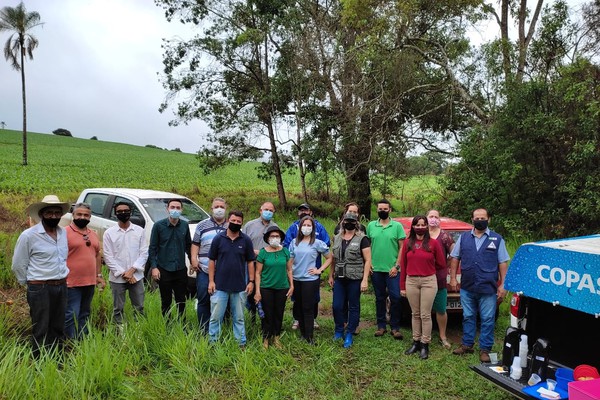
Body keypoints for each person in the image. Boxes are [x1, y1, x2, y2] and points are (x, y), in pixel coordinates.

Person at [12, 195, 70, 357]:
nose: (53, 216)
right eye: (49, 212)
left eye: (57, 213)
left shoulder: (62, 233)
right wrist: (31, 284)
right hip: (40, 287)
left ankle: (57, 359)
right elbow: (18, 264)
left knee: (58, 326)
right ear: (42, 214)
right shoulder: (29, 236)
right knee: (41, 327)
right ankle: (39, 363)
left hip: (61, 285)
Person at [450, 208, 509, 363]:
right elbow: (455, 258)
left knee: (488, 318)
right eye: (477, 218)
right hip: (467, 286)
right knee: (468, 316)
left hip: (488, 287)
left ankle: (485, 349)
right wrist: (454, 279)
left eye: (483, 217)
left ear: (488, 219)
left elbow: (502, 262)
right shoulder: (463, 238)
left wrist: (503, 284)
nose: (480, 220)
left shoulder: (497, 239)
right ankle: (467, 344)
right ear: (472, 219)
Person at [400, 215, 446, 360]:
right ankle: (415, 341)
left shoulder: (433, 243)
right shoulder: (408, 242)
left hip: (428, 281)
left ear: (426, 227)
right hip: (411, 280)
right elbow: (403, 265)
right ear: (413, 227)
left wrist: (427, 268)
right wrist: (402, 286)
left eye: (422, 225)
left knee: (425, 314)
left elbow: (441, 263)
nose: (420, 227)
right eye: (417, 225)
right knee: (415, 313)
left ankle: (425, 343)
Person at [207, 211, 255, 347]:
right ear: (228, 220)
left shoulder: (245, 240)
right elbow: (211, 260)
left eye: (239, 222)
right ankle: (213, 342)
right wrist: (211, 281)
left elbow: (250, 261)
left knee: (239, 318)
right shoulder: (218, 238)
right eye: (233, 220)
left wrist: (251, 281)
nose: (235, 223)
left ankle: (240, 343)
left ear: (242, 223)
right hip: (220, 286)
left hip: (240, 286)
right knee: (216, 317)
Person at [283, 203, 330, 330]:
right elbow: (288, 246)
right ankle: (297, 319)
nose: (303, 212)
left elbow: (326, 244)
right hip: (297, 269)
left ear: (310, 211)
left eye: (306, 210)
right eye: (301, 210)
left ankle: (312, 319)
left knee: (313, 297)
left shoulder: (319, 227)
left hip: (313, 268)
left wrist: (320, 269)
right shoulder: (293, 228)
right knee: (297, 297)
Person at [103, 201, 149, 327]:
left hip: (136, 277)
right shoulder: (109, 233)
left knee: (139, 306)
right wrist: (125, 273)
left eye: (126, 211)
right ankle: (121, 334)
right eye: (120, 211)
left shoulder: (139, 231)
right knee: (118, 308)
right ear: (115, 214)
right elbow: (108, 256)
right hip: (117, 278)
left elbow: (144, 253)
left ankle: (138, 331)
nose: (123, 213)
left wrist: (132, 270)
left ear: (131, 212)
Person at [329, 213, 371, 348]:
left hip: (355, 278)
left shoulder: (362, 239)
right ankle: (339, 330)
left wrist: (365, 280)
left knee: (353, 306)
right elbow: (333, 259)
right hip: (339, 278)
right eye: (347, 221)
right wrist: (330, 275)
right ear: (342, 222)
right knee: (337, 306)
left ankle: (349, 333)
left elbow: (368, 260)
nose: (349, 223)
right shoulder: (336, 238)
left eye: (352, 221)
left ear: (356, 223)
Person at [289, 216, 332, 344]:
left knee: (308, 308)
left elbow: (330, 258)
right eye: (304, 225)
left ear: (313, 228)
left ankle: (309, 337)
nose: (306, 228)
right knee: (299, 307)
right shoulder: (293, 243)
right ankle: (303, 334)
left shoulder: (317, 243)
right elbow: (290, 262)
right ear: (300, 227)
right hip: (296, 279)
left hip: (310, 280)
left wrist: (320, 270)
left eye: (309, 225)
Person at [367, 199, 406, 340]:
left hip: (392, 270)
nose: (382, 211)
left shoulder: (397, 226)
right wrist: (369, 263)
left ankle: (395, 327)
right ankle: (381, 326)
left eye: (385, 209)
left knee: (396, 297)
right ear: (377, 210)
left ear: (390, 210)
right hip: (376, 269)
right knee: (379, 298)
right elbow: (367, 247)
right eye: (380, 209)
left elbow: (402, 247)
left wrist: (397, 265)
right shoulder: (371, 226)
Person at [64, 202, 104, 339]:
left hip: (89, 282)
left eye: (86, 215)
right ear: (73, 215)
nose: (82, 217)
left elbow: (97, 254)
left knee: (85, 313)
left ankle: (82, 339)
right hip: (71, 282)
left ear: (90, 217)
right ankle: (70, 342)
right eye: (79, 214)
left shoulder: (92, 234)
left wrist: (98, 275)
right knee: (71, 313)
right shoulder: (64, 233)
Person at [149, 199, 192, 320]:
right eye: (172, 207)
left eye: (178, 208)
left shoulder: (184, 225)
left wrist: (193, 262)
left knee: (181, 300)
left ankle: (182, 324)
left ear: (182, 210)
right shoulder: (158, 226)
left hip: (180, 269)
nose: (175, 210)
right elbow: (153, 248)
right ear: (167, 209)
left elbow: (188, 245)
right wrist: (154, 267)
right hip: (164, 268)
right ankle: (167, 324)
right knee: (166, 300)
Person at [191, 197, 228, 334]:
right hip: (204, 270)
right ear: (211, 208)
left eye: (222, 207)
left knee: (223, 301)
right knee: (204, 299)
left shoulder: (231, 225)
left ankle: (219, 328)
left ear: (225, 209)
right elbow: (195, 244)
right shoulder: (202, 225)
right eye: (216, 206)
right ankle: (204, 329)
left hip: (224, 272)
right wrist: (194, 260)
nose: (219, 209)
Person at [254, 226, 293, 349]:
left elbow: (289, 270)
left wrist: (292, 285)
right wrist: (257, 291)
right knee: (267, 314)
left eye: (277, 236)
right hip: (266, 287)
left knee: (279, 313)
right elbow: (258, 273)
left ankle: (276, 337)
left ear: (281, 238)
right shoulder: (263, 252)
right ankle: (266, 338)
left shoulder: (285, 252)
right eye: (272, 236)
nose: (275, 238)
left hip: (282, 287)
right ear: (267, 238)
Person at [242, 201, 278, 320]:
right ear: (260, 210)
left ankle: (265, 317)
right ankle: (251, 317)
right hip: (251, 263)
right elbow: (242, 243)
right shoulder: (249, 225)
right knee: (250, 291)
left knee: (265, 291)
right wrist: (254, 251)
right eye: (266, 209)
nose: (268, 212)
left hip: (268, 266)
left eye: (271, 210)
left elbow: (278, 246)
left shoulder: (275, 227)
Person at [427, 209, 455, 349]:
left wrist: (445, 266)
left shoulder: (445, 236)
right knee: (424, 310)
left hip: (439, 278)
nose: (433, 219)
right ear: (426, 218)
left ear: (440, 219)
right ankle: (425, 335)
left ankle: (443, 336)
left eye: (436, 217)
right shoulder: (422, 234)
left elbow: (454, 254)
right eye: (431, 216)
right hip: (423, 277)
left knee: (441, 309)